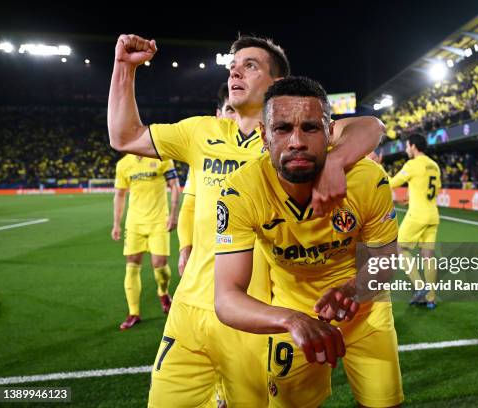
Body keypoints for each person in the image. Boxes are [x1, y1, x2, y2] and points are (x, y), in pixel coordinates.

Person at [108, 33, 385, 407]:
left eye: (249, 65)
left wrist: (336, 161)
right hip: (191, 308)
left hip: (257, 318)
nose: (235, 72)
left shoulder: (291, 137)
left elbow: (369, 127)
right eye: (233, 66)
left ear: (276, 84)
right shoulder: (201, 131)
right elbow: (125, 136)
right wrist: (124, 68)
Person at [214, 76, 403, 408]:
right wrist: (291, 319)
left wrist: (354, 289)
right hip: (291, 310)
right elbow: (226, 298)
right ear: (263, 136)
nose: (297, 141)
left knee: (384, 403)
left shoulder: (367, 180)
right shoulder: (241, 190)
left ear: (330, 133)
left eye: (311, 129)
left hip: (365, 307)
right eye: (283, 128)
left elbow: (386, 259)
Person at [111, 154, 180, 330]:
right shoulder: (124, 164)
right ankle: (133, 313)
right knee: (132, 264)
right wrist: (116, 224)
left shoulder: (162, 159)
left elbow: (174, 186)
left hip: (159, 222)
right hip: (134, 224)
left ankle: (163, 293)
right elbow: (119, 194)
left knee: (160, 265)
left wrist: (173, 214)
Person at [177, 83, 237, 277]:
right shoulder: (203, 153)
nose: (236, 117)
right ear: (218, 115)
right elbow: (189, 206)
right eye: (230, 110)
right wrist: (185, 247)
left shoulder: (265, 152)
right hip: (203, 266)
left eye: (241, 111)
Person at [388, 134, 441, 309]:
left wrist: (375, 167)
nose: (405, 149)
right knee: (428, 255)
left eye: (407, 146)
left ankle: (420, 287)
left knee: (399, 248)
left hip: (417, 215)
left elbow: (391, 183)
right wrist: (411, 197)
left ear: (413, 146)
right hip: (433, 214)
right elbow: (432, 189)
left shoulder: (412, 164)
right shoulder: (434, 165)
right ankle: (431, 298)